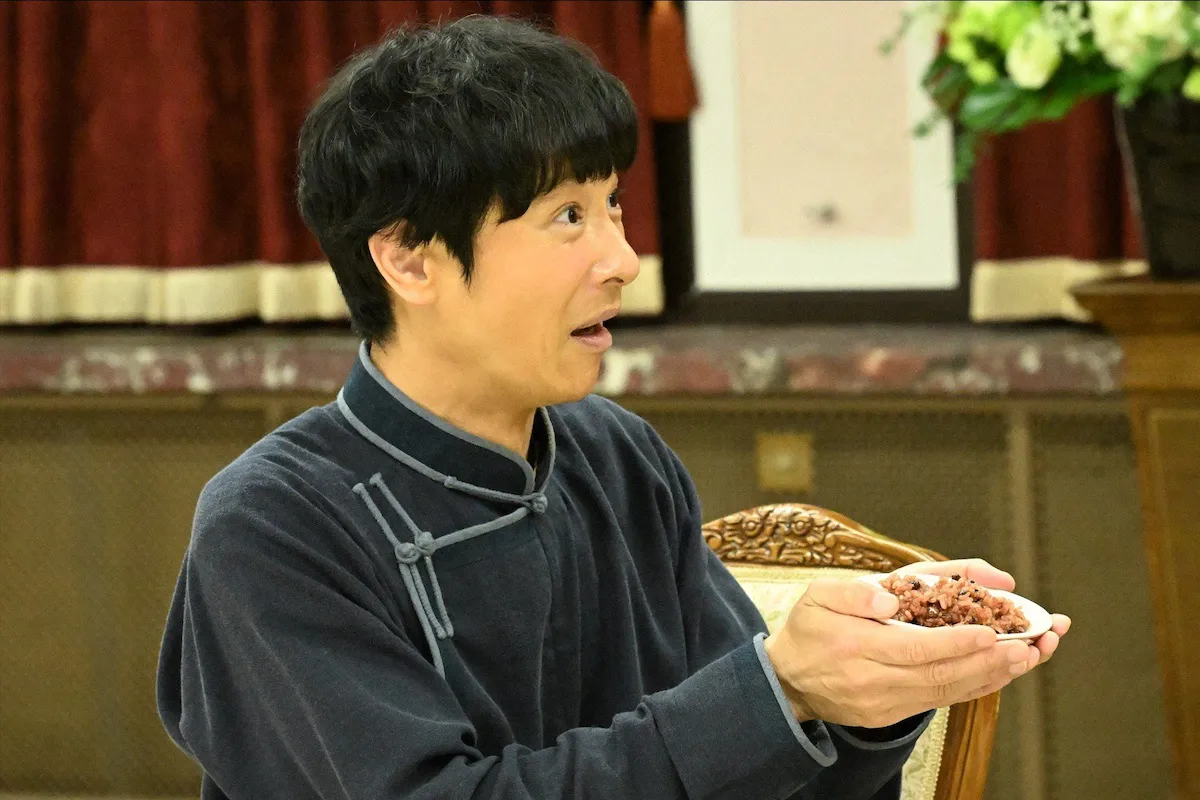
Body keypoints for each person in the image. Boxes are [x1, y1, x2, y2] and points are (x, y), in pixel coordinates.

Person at [156, 15, 1070, 800]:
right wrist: (779, 693)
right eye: (567, 217)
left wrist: (863, 698)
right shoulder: (275, 525)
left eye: (615, 207)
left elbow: (758, 777)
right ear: (409, 259)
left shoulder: (615, 455)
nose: (624, 260)